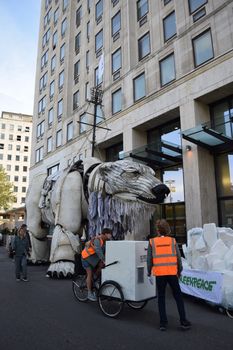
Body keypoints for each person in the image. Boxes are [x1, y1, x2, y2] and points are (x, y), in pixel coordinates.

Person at [147, 219, 191, 331]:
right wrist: (179, 271)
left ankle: (163, 323)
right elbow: (178, 259)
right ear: (167, 229)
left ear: (158, 230)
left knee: (161, 298)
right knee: (178, 297)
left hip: (160, 274)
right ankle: (183, 321)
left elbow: (149, 260)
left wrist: (148, 272)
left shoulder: (152, 242)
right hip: (172, 273)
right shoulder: (173, 241)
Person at [81, 228, 112, 301]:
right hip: (86, 258)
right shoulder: (97, 240)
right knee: (90, 273)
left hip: (93, 259)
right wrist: (104, 259)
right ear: (105, 234)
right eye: (109, 234)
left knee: (102, 266)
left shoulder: (106, 241)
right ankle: (89, 293)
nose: (110, 235)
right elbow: (98, 251)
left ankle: (95, 278)